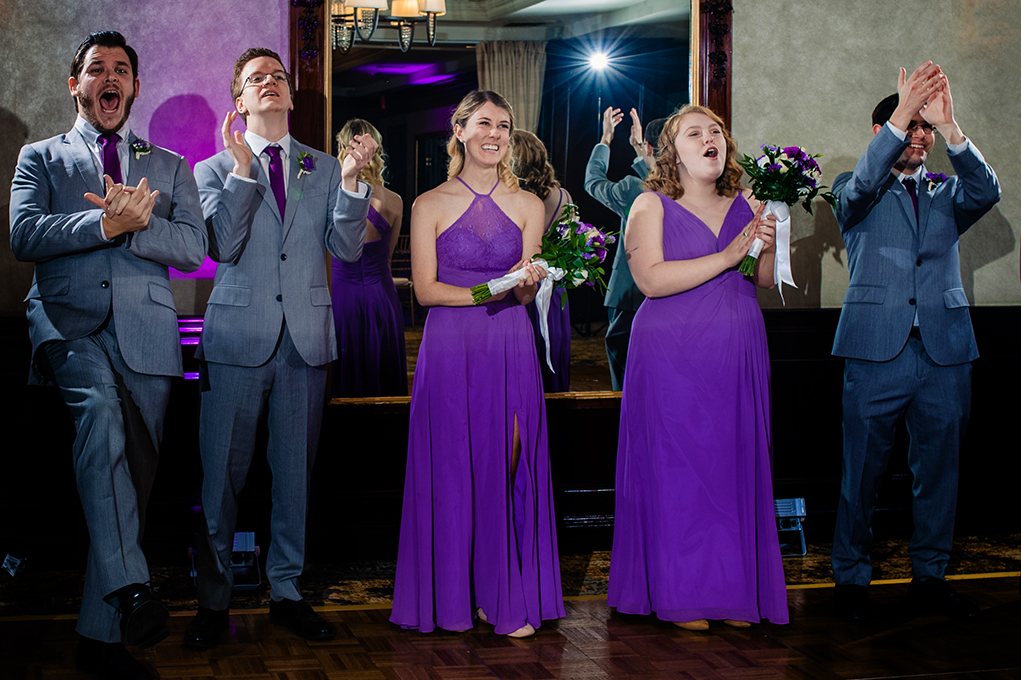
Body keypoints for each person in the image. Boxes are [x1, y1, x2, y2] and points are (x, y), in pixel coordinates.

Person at [9, 30, 206, 678]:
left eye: (121, 69)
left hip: (148, 338)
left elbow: (190, 248)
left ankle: (98, 639)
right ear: (77, 85)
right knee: (97, 415)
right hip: (70, 327)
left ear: (135, 87)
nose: (109, 78)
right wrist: (103, 224)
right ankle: (131, 591)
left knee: (129, 485)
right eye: (97, 69)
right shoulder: (40, 157)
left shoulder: (169, 164)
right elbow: (24, 235)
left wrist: (139, 223)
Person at [185, 47, 376, 648]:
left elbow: (345, 251)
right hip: (236, 341)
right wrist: (244, 169)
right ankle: (214, 601)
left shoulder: (324, 167)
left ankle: (287, 592)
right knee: (221, 480)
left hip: (306, 342)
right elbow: (222, 247)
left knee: (295, 477)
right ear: (239, 101)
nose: (269, 83)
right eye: (254, 79)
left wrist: (350, 188)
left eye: (277, 77)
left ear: (291, 95)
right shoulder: (213, 169)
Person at [390, 90, 565, 637]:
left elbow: (520, 293)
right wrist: (489, 289)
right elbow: (424, 290)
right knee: (452, 470)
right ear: (460, 130)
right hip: (449, 345)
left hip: (509, 343)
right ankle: (455, 596)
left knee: (505, 466)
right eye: (485, 123)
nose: (495, 134)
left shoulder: (529, 206)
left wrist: (531, 285)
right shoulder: (429, 204)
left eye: (505, 126)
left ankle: (498, 592)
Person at [830, 63, 1000, 622]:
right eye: (912, 128)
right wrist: (902, 114)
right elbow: (859, 186)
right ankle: (851, 580)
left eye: (925, 130)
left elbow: (988, 189)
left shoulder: (952, 194)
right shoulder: (855, 192)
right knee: (862, 473)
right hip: (876, 350)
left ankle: (930, 576)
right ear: (886, 133)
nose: (920, 136)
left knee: (940, 473)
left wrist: (952, 129)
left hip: (946, 353)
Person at [609, 104, 788, 630]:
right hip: (672, 356)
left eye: (716, 132)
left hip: (736, 350)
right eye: (695, 133)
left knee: (732, 466)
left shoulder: (749, 202)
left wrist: (770, 249)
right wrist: (730, 254)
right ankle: (682, 590)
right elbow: (651, 280)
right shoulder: (650, 204)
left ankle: (732, 590)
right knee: (681, 469)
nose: (710, 138)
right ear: (674, 151)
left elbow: (760, 279)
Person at [584, 107, 665, 390]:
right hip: (676, 294)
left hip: (629, 294)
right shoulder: (689, 192)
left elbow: (593, 182)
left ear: (650, 146)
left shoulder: (633, 188)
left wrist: (605, 139)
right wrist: (642, 154)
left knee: (626, 373)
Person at [330, 118, 408, 397]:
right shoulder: (395, 200)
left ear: (342, 149)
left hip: (342, 297)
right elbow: (386, 258)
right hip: (381, 298)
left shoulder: (333, 198)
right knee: (381, 374)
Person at [510, 129, 573, 392]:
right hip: (553, 296)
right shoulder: (563, 197)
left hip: (519, 291)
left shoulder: (513, 200)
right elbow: (569, 250)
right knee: (550, 369)